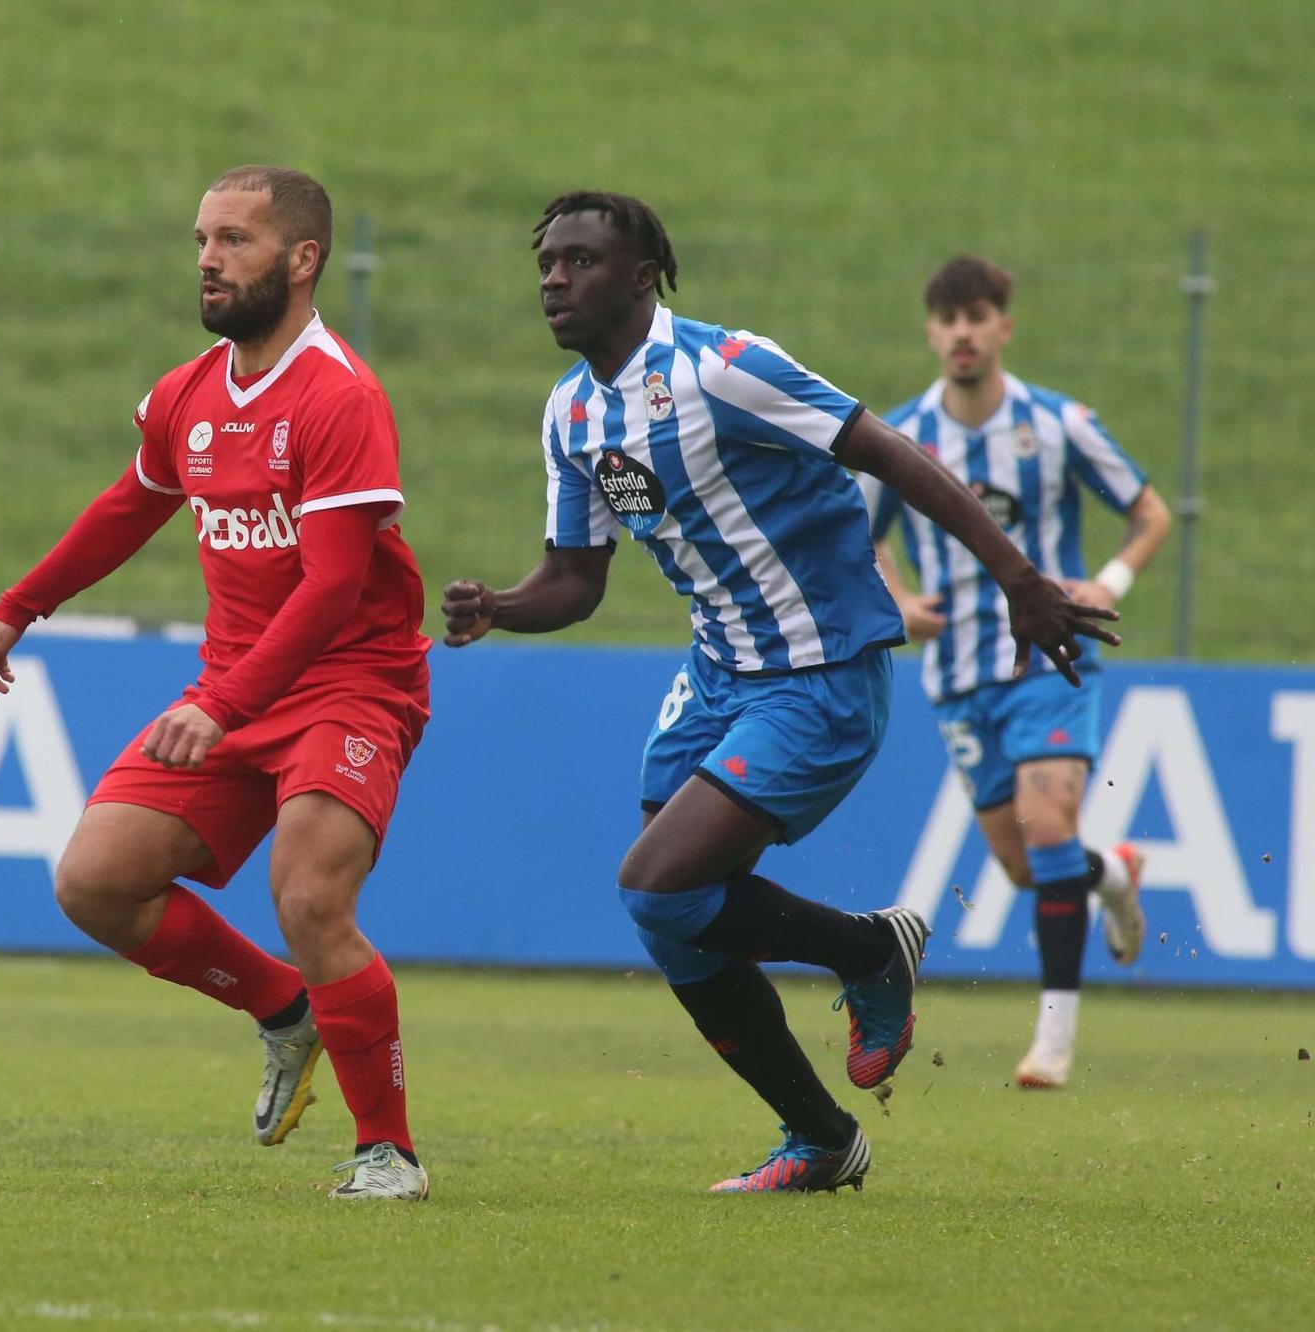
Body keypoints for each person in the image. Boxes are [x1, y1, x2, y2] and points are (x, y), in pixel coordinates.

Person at [442, 193, 1118, 1194]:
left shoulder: (724, 369)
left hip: (819, 671)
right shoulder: (572, 414)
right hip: (716, 673)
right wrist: (502, 604)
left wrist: (1019, 578)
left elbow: (891, 453)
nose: (552, 279)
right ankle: (819, 1137)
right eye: (545, 261)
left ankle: (866, 951)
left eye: (579, 261)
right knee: (668, 915)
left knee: (651, 883)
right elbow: (575, 582)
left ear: (639, 276)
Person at [0, 166, 433, 1201]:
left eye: (235, 241)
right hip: (235, 686)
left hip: (349, 684)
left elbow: (332, 583)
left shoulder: (338, 395)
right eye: (201, 240)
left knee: (308, 896)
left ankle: (385, 1150)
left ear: (302, 261)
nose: (208, 260)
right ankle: (283, 1010)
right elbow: (128, 507)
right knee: (94, 882)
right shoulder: (188, 392)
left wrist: (220, 705)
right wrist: (17, 606)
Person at [861, 255, 1171, 1089]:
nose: (963, 332)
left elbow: (1150, 513)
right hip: (962, 677)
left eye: (979, 315)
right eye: (948, 318)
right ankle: (1116, 874)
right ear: (932, 332)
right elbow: (862, 531)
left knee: (1049, 825)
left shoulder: (1060, 424)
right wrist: (901, 601)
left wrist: (1107, 582)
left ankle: (1054, 1040)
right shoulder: (901, 437)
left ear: (1004, 326)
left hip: (1051, 661)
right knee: (1029, 864)